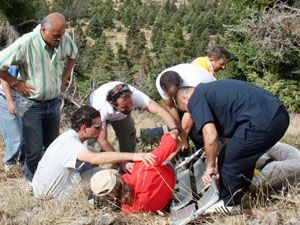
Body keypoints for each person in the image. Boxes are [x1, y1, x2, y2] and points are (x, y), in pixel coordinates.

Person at [175, 79, 289, 210]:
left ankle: (229, 203)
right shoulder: (211, 92)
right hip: (278, 116)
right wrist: (217, 157)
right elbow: (231, 139)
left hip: (264, 120)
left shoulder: (196, 98)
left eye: (188, 110)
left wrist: (210, 166)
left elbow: (211, 137)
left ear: (186, 98)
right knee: (239, 155)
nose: (192, 115)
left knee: (229, 160)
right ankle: (242, 194)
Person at [0, 13, 78, 184]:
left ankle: (50, 180)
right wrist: (15, 83)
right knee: (34, 149)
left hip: (53, 103)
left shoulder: (63, 39)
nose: (59, 39)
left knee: (52, 146)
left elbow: (73, 54)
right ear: (43, 30)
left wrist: (65, 76)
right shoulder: (26, 43)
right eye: (56, 35)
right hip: (31, 104)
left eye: (62, 34)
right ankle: (32, 181)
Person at [32, 105, 156, 200]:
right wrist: (134, 156)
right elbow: (94, 158)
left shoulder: (68, 136)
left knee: (91, 152)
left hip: (41, 188)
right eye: (97, 127)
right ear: (84, 128)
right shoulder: (71, 144)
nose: (101, 129)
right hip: (51, 194)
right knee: (112, 177)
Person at [90, 81, 178, 171]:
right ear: (114, 105)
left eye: (131, 104)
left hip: (120, 116)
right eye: (125, 107)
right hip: (99, 114)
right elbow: (102, 140)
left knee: (129, 135)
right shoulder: (100, 109)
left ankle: (129, 165)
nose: (130, 108)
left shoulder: (135, 96)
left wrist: (174, 128)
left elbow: (160, 110)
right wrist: (122, 162)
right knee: (96, 139)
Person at [90, 129, 179, 213]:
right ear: (115, 174)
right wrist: (172, 132)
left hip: (162, 204)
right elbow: (170, 142)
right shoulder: (143, 166)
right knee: (159, 157)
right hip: (170, 177)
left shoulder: (127, 209)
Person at [156, 63, 216, 149]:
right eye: (170, 94)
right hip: (188, 98)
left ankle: (209, 150)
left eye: (173, 94)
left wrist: (182, 137)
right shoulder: (160, 83)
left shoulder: (194, 81)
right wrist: (177, 129)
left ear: (180, 85)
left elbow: (190, 115)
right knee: (184, 130)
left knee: (203, 130)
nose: (172, 97)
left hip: (211, 98)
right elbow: (170, 106)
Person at [0, 66, 25, 176]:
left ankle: (22, 163)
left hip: (24, 99)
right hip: (7, 98)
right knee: (15, 137)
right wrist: (10, 101)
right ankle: (10, 165)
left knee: (27, 135)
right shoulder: (15, 55)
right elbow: (3, 76)